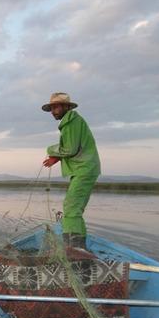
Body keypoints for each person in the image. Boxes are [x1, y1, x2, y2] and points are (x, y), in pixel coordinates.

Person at [41, 92, 101, 251]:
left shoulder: (72, 122)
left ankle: (74, 249)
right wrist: (57, 157)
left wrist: (51, 150)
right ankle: (78, 246)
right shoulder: (71, 122)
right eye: (52, 108)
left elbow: (69, 149)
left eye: (57, 107)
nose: (54, 111)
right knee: (73, 208)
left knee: (71, 207)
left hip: (84, 168)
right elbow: (73, 148)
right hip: (83, 168)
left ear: (67, 107)